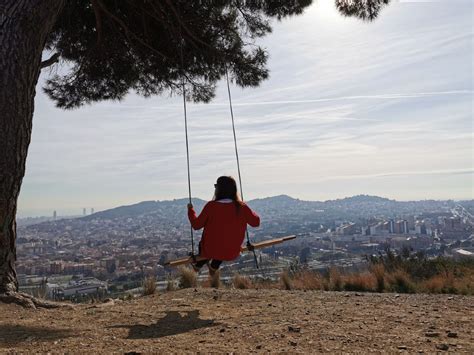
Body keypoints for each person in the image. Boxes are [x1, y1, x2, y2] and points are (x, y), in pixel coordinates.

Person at [187, 176, 260, 275]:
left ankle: (198, 265)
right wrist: (246, 209)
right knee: (225, 241)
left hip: (210, 250)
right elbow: (256, 222)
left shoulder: (211, 206)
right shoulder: (241, 207)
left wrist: (190, 210)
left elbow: (196, 225)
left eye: (216, 186)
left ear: (219, 189)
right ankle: (213, 267)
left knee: (210, 245)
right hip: (232, 252)